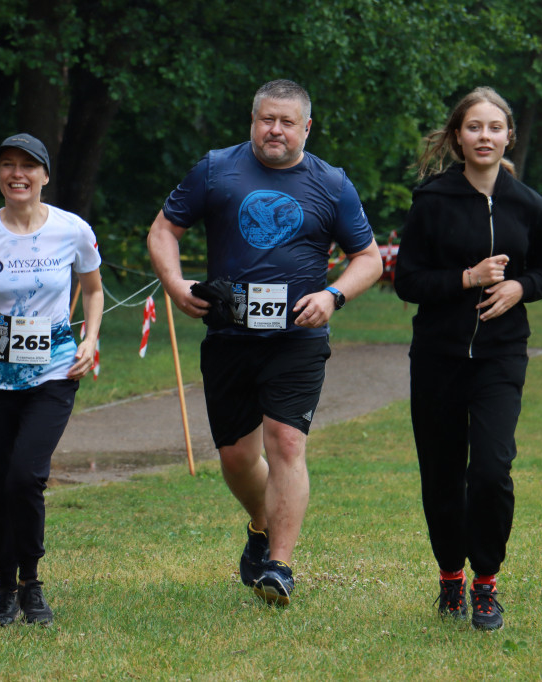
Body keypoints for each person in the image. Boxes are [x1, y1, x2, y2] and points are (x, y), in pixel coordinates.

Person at [147, 79, 383, 606]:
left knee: (287, 442)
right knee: (235, 456)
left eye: (286, 121)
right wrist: (176, 284)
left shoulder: (333, 183)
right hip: (228, 333)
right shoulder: (215, 169)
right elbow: (164, 230)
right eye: (265, 119)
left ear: (306, 127)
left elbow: (369, 258)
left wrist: (333, 296)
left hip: (297, 335)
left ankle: (280, 565)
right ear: (252, 120)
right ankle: (260, 524)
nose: (274, 130)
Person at [393, 87, 542, 631]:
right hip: (439, 358)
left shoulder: (528, 204)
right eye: (473, 127)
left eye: (494, 127)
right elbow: (407, 281)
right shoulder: (432, 200)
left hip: (499, 358)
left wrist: (519, 288)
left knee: (491, 469)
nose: (484, 136)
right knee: (441, 474)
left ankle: (486, 581)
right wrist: (466, 278)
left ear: (509, 135)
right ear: (457, 136)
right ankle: (450, 578)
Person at [0, 133, 104, 626]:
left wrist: (91, 338)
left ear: (44, 176)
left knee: (25, 476)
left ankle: (31, 582)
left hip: (53, 372)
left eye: (28, 167)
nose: (18, 174)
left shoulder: (72, 229)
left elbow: (94, 289)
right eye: (8, 165)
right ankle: (3, 585)